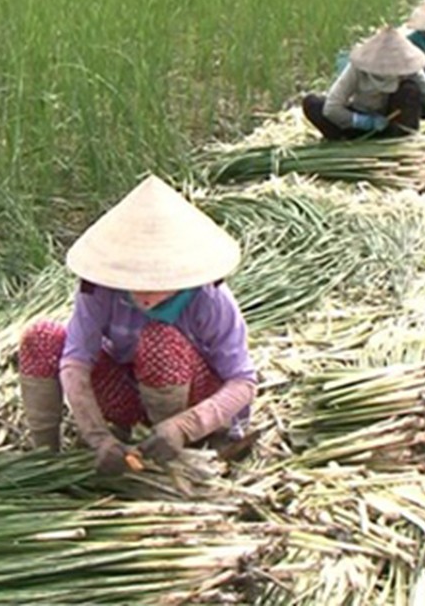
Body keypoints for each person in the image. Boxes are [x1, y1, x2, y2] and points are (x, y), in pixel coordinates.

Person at [17, 175, 257, 474]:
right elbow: (76, 361)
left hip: (195, 401)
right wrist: (97, 436)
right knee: (41, 337)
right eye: (136, 278)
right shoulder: (100, 289)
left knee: (160, 339)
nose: (145, 292)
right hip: (130, 397)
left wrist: (184, 426)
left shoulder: (209, 298)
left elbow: (243, 382)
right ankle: (44, 460)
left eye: (157, 281)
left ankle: (168, 455)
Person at [302, 26, 425, 140]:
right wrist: (363, 122)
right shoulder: (357, 68)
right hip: (360, 119)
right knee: (312, 103)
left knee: (410, 89)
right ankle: (346, 139)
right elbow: (332, 107)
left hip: (392, 123)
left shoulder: (407, 67)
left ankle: (401, 140)